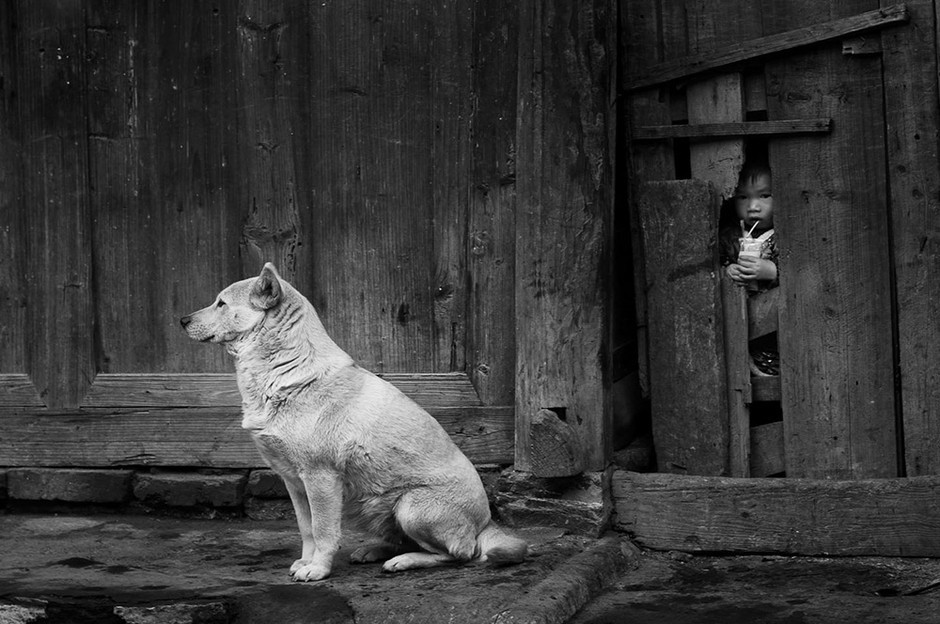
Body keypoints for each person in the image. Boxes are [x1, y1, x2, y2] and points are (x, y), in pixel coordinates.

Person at [720, 162, 779, 376]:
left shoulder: (786, 233)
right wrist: (727, 270)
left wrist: (772, 271)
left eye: (764, 196)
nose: (753, 206)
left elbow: (804, 270)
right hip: (738, 321)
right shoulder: (729, 235)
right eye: (743, 197)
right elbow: (713, 263)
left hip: (776, 325)